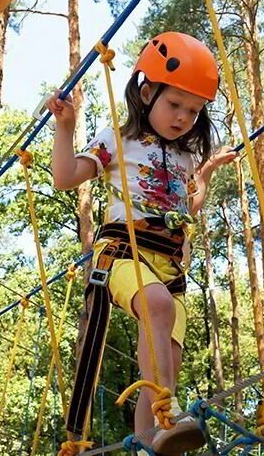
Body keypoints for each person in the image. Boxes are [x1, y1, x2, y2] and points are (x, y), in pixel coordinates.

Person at [49, 32, 237, 454]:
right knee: (157, 307)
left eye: (194, 110)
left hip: (170, 269)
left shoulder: (186, 157)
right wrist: (65, 127)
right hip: (121, 254)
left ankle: (150, 441)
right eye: (175, 105)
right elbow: (64, 177)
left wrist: (204, 175)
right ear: (147, 92)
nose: (183, 117)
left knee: (166, 358)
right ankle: (169, 415)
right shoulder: (117, 140)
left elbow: (189, 206)